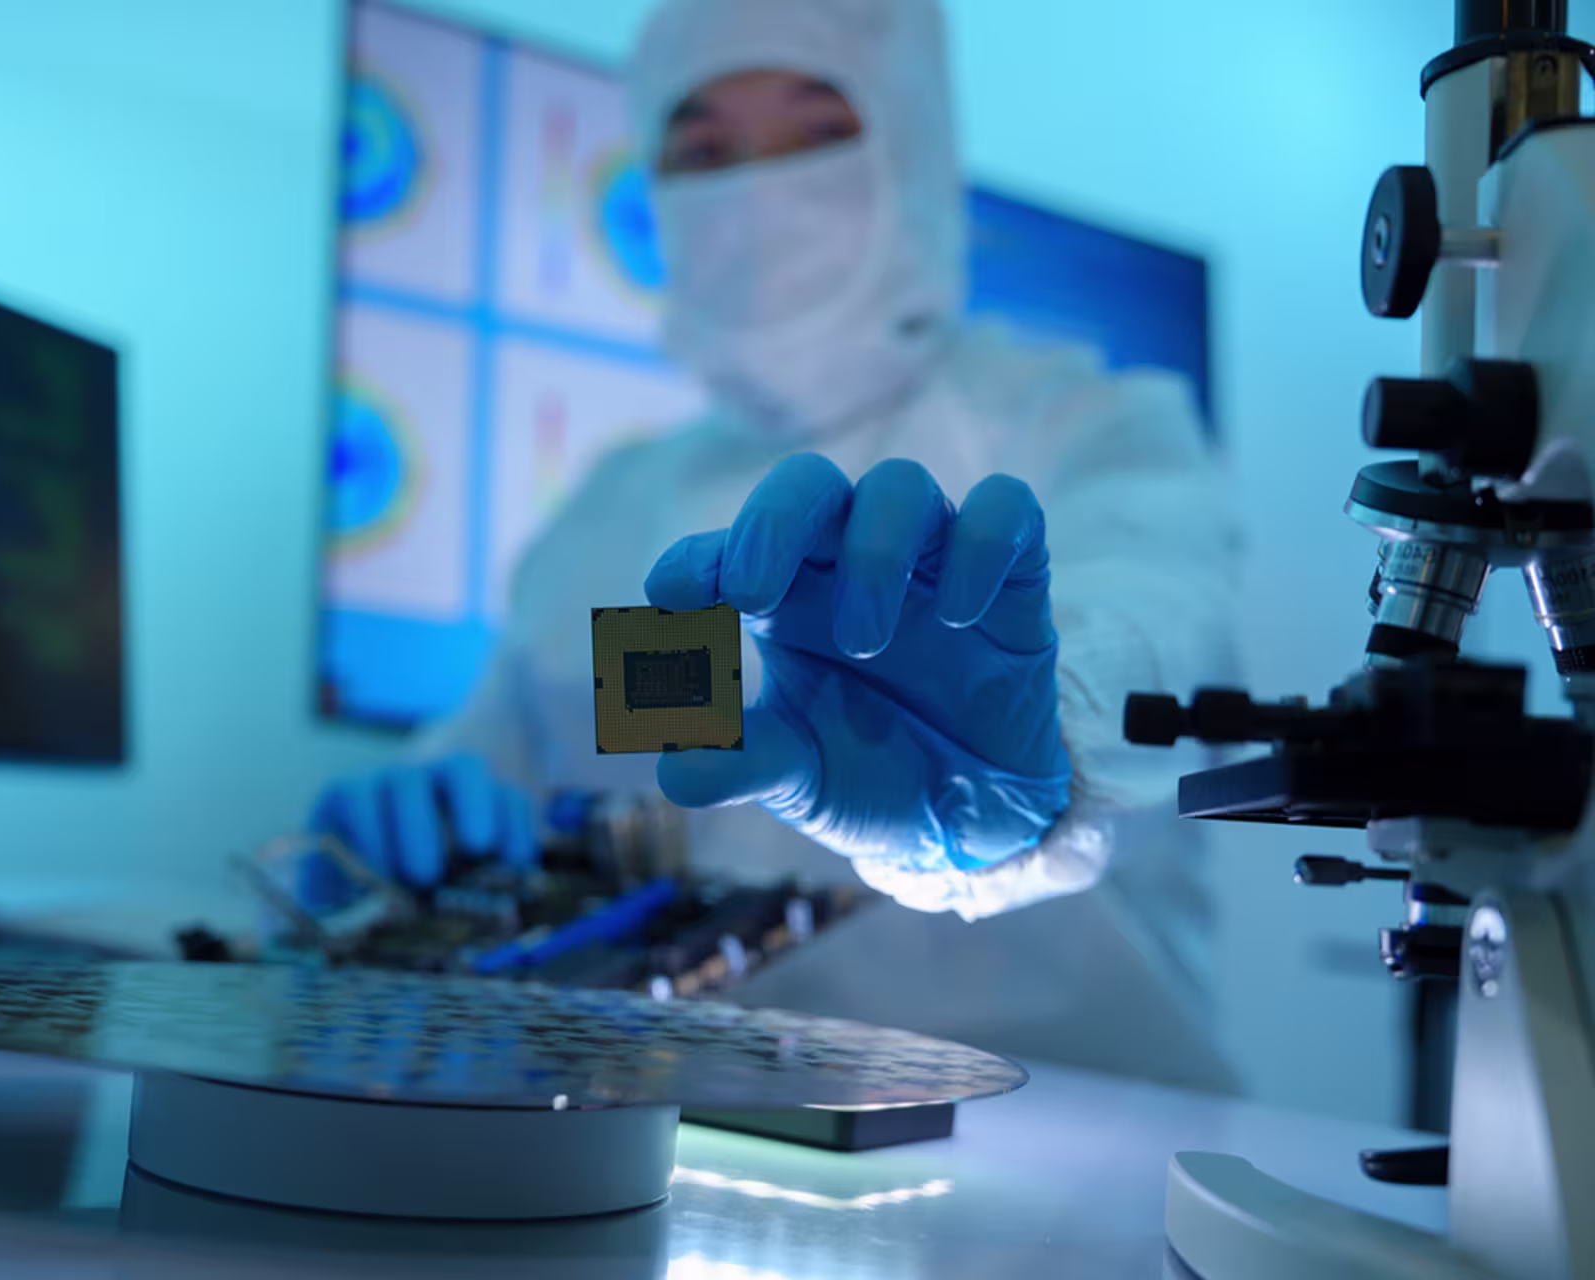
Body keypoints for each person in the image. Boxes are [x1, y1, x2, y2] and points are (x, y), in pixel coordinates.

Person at [305, 0, 1242, 1090]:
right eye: (701, 149)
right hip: (671, 1158)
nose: (755, 195)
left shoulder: (1092, 428)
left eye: (817, 129)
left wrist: (1029, 752)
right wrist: (406, 830)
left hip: (1072, 1173)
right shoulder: (609, 507)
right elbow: (493, 768)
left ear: (917, 147)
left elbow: (1147, 623)